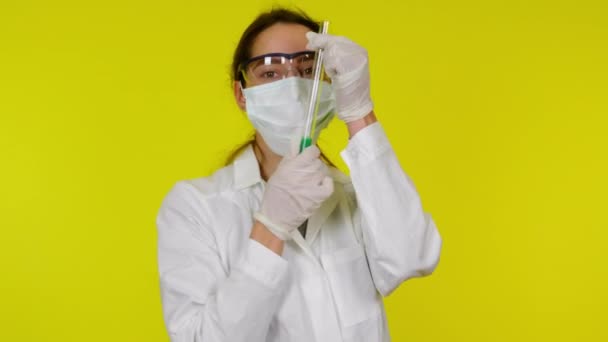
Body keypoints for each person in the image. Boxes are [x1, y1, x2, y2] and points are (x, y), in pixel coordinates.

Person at [156, 8, 442, 342]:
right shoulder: (195, 207)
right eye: (270, 73)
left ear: (329, 86)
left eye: (308, 70)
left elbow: (412, 258)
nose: (293, 87)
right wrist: (270, 227)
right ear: (241, 95)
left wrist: (360, 113)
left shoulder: (354, 193)